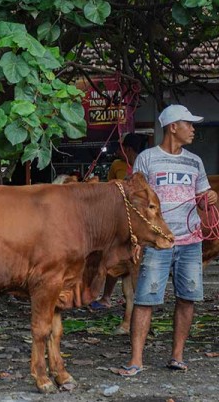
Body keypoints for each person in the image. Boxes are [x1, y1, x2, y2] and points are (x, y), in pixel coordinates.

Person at [116, 104, 218, 376]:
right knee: (145, 299)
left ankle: (177, 356)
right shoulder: (147, 159)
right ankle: (136, 360)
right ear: (173, 127)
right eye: (189, 124)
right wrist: (136, 238)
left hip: (190, 241)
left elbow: (204, 198)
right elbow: (134, 201)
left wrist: (210, 199)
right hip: (156, 242)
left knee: (187, 298)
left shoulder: (195, 161)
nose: (193, 129)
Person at [89, 132, 148, 310]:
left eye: (122, 148)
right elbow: (111, 190)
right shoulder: (117, 165)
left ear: (128, 149)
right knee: (116, 259)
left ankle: (140, 304)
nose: (118, 152)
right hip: (121, 216)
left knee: (123, 258)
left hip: (139, 219)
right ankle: (106, 297)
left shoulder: (146, 162)